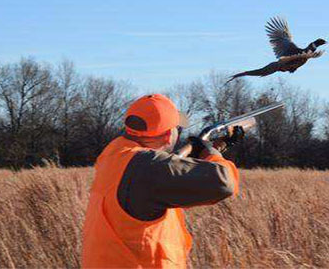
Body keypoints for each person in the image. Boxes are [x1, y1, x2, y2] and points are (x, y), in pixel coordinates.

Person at [81, 94, 242, 269]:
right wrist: (212, 154)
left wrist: (213, 149)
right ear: (168, 136)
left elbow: (159, 180)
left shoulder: (114, 154)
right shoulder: (147, 167)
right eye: (178, 129)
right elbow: (223, 182)